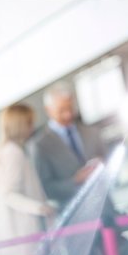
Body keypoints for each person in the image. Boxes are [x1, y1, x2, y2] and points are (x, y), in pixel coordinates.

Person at [0, 104, 56, 255]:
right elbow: (9, 194)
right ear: (19, 125)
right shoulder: (12, 153)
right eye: (28, 123)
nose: (32, 127)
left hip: (16, 249)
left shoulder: (1, 152)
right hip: (25, 247)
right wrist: (41, 208)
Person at [29, 81, 106, 210]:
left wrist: (102, 167)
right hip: (74, 217)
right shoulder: (40, 146)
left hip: (105, 208)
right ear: (48, 110)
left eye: (70, 108)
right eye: (62, 110)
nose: (68, 114)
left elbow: (109, 164)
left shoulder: (92, 132)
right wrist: (75, 180)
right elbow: (46, 189)